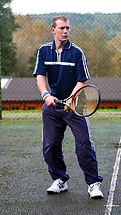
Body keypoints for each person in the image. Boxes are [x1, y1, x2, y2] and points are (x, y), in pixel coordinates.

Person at [33, 15, 103, 199]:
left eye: (68, 28)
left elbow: (82, 80)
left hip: (75, 104)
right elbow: (40, 75)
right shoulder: (43, 51)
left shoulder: (77, 53)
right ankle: (59, 180)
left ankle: (93, 184)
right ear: (53, 30)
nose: (65, 31)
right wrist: (46, 95)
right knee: (50, 145)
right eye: (62, 28)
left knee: (84, 144)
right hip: (52, 105)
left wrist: (71, 99)